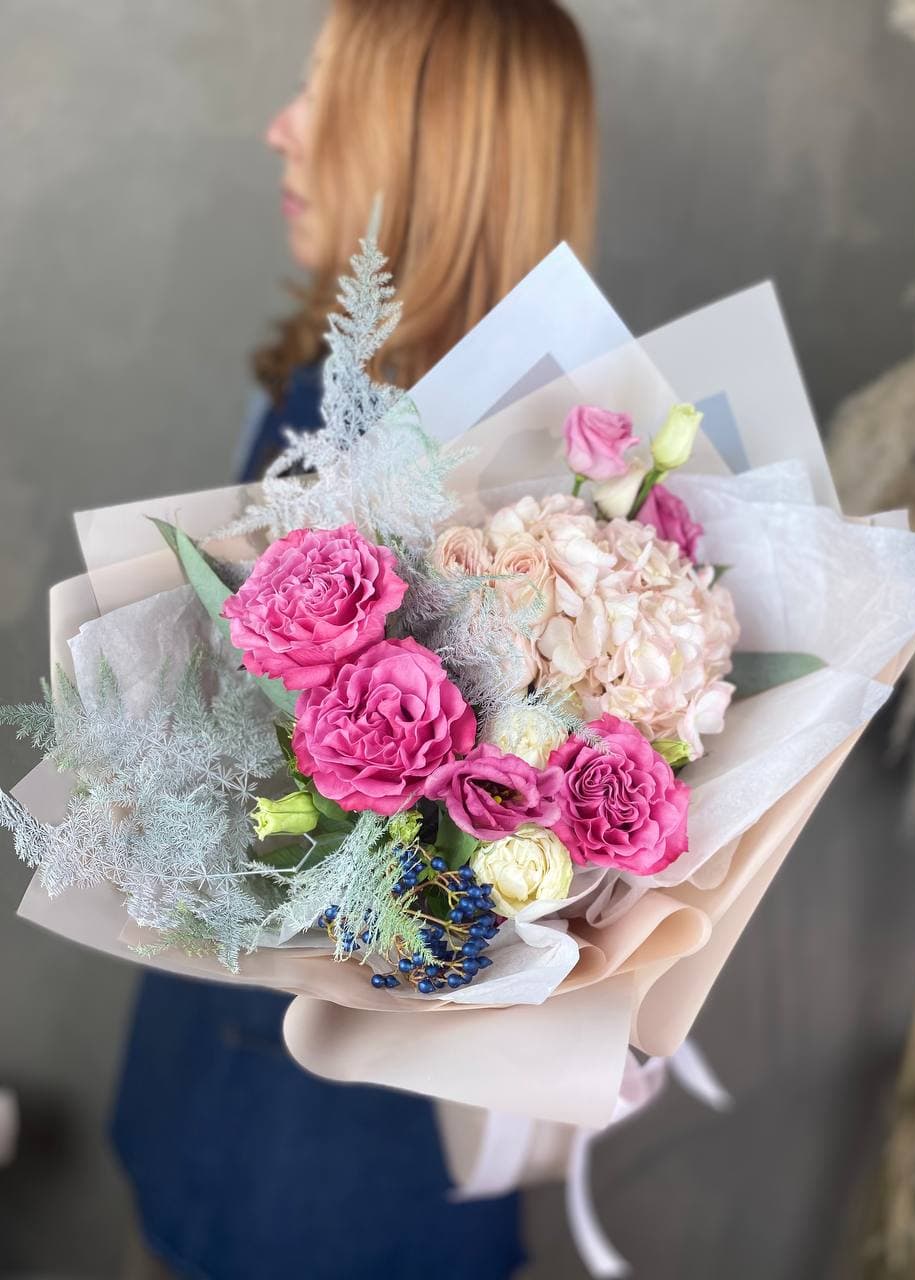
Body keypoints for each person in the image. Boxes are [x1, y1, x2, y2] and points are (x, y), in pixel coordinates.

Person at [113, 2, 596, 1277]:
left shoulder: (535, 495)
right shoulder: (318, 387)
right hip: (219, 1078)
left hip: (332, 1158)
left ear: (425, 146)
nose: (281, 128)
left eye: (327, 93)